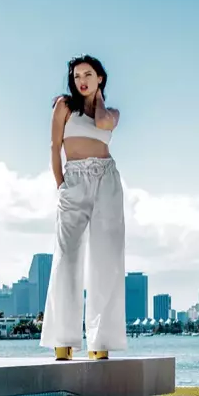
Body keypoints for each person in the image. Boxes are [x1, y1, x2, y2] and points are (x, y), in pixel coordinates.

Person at [40, 55, 127, 361]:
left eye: (89, 75)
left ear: (100, 78)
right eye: (77, 76)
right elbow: (54, 147)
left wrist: (98, 99)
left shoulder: (110, 112)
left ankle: (99, 342)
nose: (82, 81)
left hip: (107, 180)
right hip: (74, 178)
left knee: (107, 260)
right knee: (67, 258)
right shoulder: (64, 105)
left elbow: (103, 123)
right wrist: (61, 184)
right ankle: (62, 340)